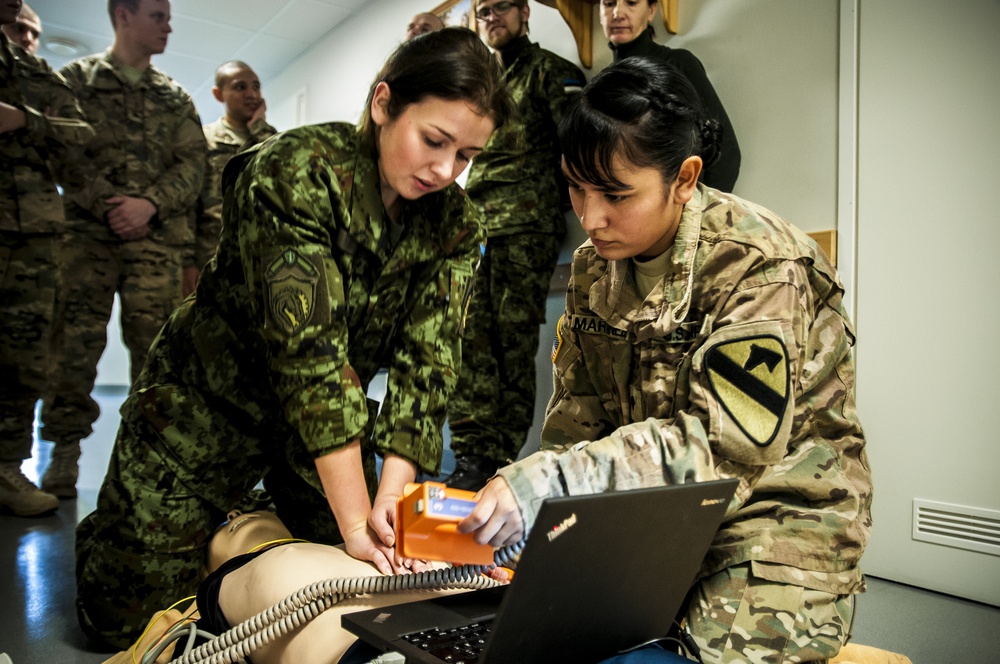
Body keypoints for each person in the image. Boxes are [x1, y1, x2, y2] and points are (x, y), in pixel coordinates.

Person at [75, 26, 516, 650]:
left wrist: (387, 508)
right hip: (205, 408)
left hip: (316, 433)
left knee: (358, 563)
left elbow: (428, 368)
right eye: (434, 140)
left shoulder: (456, 224)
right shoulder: (297, 172)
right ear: (384, 103)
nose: (446, 170)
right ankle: (135, 515)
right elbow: (310, 362)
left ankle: (246, 516)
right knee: (122, 621)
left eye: (467, 156)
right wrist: (356, 522)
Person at [458, 57, 873, 663]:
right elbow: (577, 425)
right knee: (531, 629)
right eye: (575, 188)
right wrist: (539, 519)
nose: (590, 218)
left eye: (616, 194)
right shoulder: (594, 267)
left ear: (684, 178)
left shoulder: (758, 263)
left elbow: (727, 449)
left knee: (708, 651)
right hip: (651, 515)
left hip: (774, 519)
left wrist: (551, 481)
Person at [38, 0, 208, 500]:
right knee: (72, 347)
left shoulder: (175, 97)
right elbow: (58, 151)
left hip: (156, 246)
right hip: (86, 239)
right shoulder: (74, 82)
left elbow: (193, 168)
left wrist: (149, 204)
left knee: (158, 355)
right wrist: (108, 204)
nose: (168, 26)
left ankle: (148, 458)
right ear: (123, 15)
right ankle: (63, 454)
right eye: (157, 15)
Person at [444, 0, 586, 491]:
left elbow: (579, 146)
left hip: (525, 229)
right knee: (467, 342)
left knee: (510, 342)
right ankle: (468, 454)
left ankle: (497, 456)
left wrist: (565, 205)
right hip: (474, 228)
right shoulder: (480, 88)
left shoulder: (551, 72)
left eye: (501, 6)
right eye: (483, 10)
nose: (492, 17)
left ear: (524, 12)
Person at [105, 509, 509, 664]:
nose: (235, 514)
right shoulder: (234, 590)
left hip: (465, 627)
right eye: (232, 521)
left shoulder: (261, 571)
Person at [0, 0, 93, 517]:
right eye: (18, 27)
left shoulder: (37, 75)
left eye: (34, 31)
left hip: (33, 233)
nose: (28, 37)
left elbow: (79, 138)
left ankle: (7, 467)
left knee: (25, 358)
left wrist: (21, 120)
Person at [600, 0, 741, 192]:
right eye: (608, 3)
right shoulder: (602, 83)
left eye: (631, 2)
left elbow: (726, 152)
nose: (617, 12)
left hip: (679, 207)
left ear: (651, 11)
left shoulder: (678, 64)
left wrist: (697, 214)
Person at [188, 60, 277, 296]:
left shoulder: (271, 140)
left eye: (256, 87)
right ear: (219, 94)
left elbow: (283, 180)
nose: (252, 94)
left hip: (263, 258)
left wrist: (260, 127)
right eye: (240, 87)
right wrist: (188, 262)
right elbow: (187, 203)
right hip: (213, 256)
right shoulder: (203, 140)